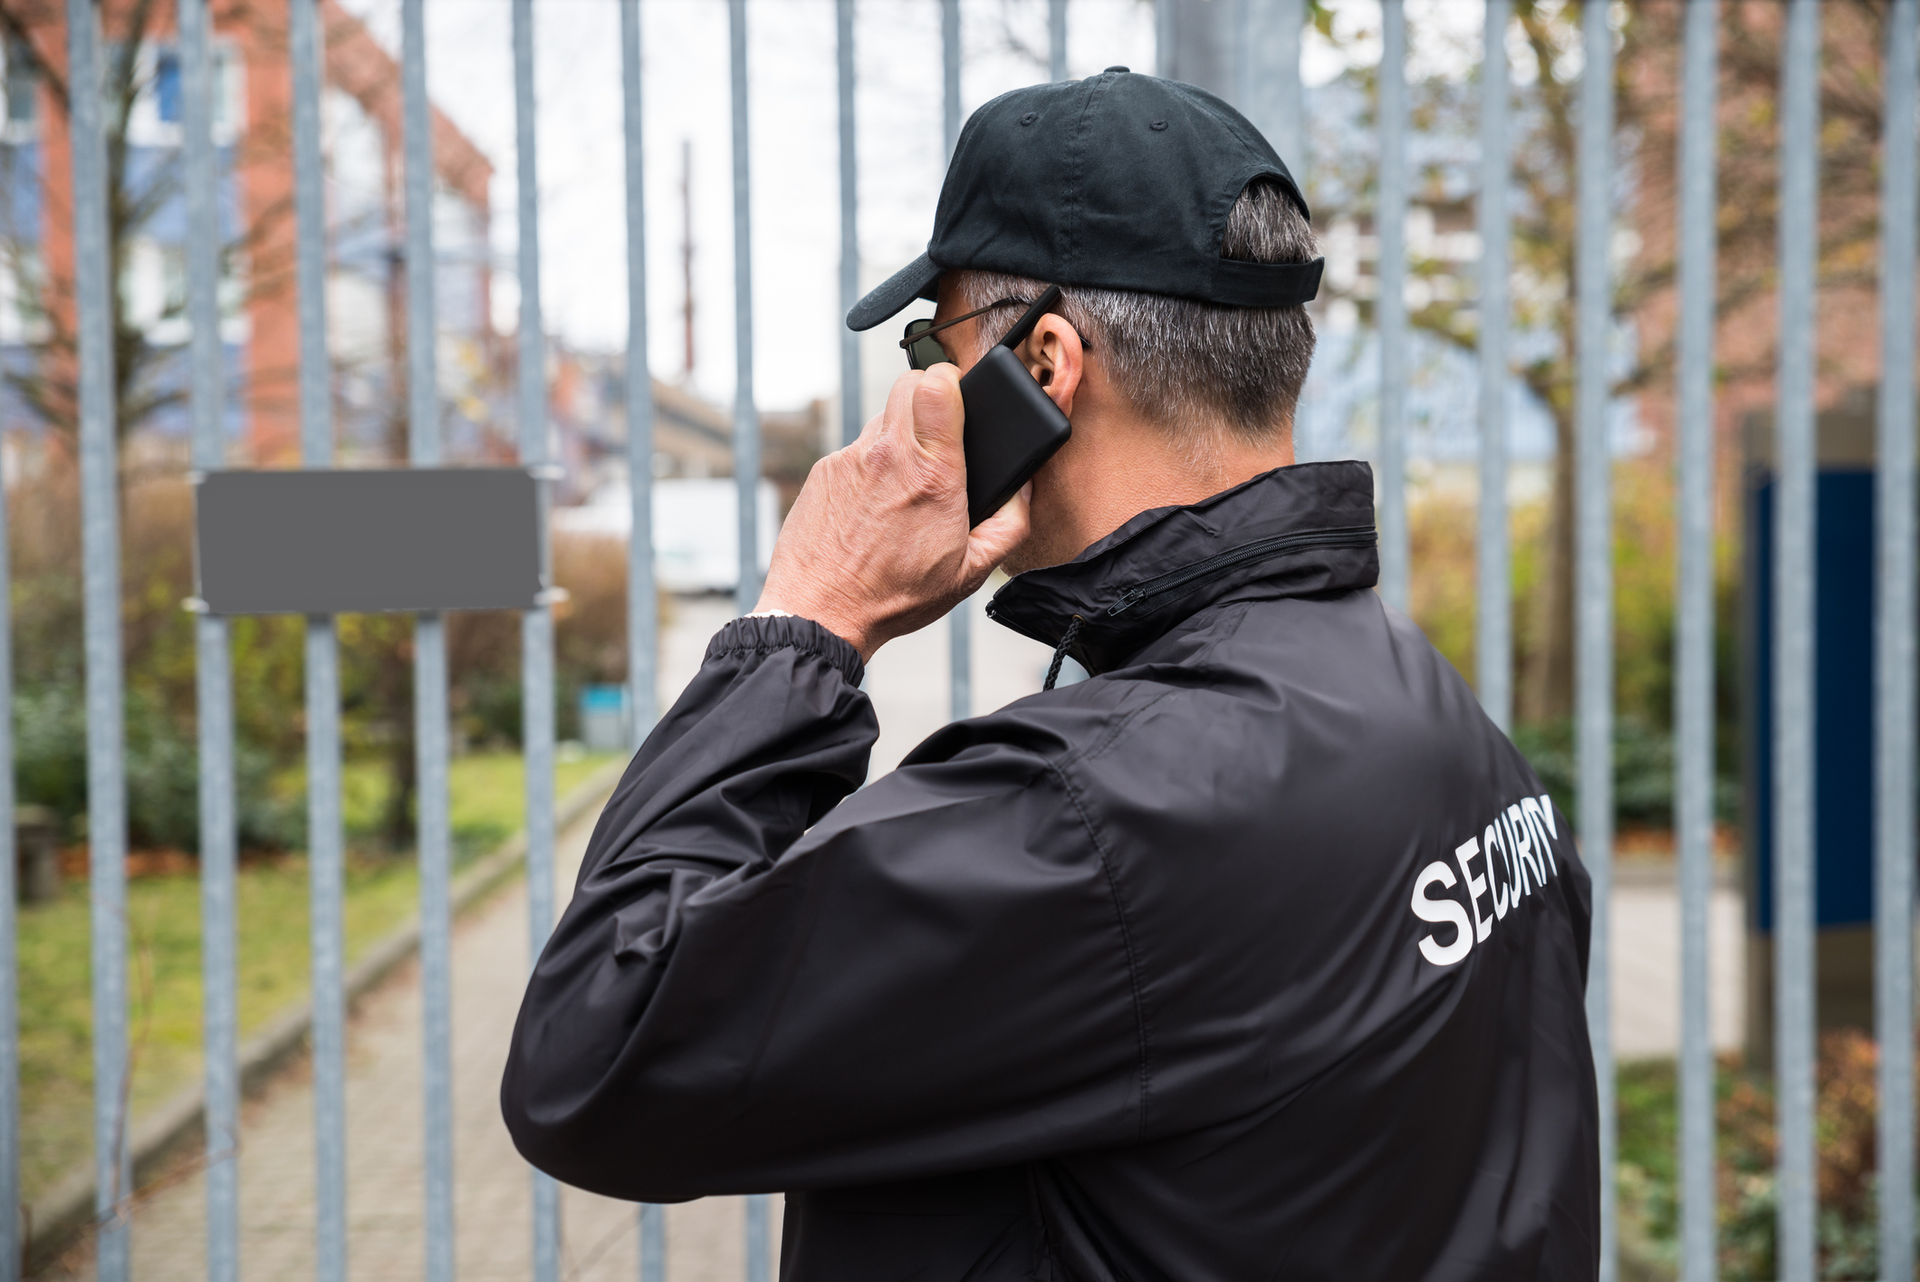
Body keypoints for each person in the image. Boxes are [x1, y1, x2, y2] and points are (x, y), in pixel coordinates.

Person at [502, 69, 1597, 1281]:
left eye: (937, 342)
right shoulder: (1433, 711)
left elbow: (595, 1051)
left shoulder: (1099, 815)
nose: (928, 380)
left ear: (1048, 363)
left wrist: (809, 621)